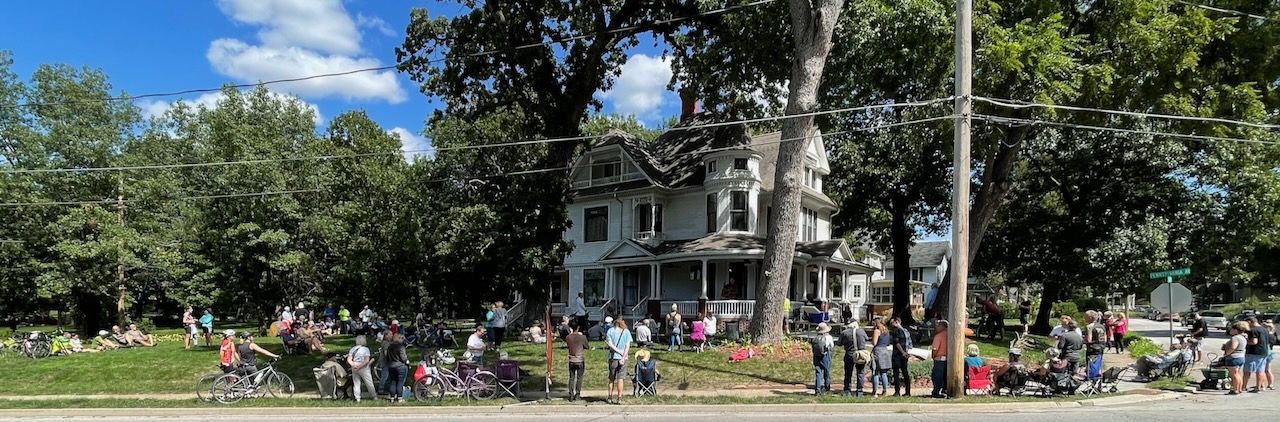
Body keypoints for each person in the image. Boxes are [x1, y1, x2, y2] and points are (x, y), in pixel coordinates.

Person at [838, 320, 870, 396]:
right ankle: (859, 391)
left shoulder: (844, 333)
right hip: (860, 354)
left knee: (848, 373)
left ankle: (847, 391)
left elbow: (839, 343)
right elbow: (866, 339)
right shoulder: (861, 331)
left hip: (849, 354)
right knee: (860, 373)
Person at [605, 318, 633, 405]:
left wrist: (618, 351)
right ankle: (619, 398)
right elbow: (627, 346)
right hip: (623, 358)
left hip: (613, 357)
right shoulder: (626, 332)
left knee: (611, 379)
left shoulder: (610, 331)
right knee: (620, 379)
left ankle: (610, 397)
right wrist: (623, 356)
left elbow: (610, 344)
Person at [1244, 317, 1273, 393]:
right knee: (1260, 370)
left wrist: (1245, 341)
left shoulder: (1253, 330)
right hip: (1263, 352)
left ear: (1250, 322)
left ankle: (1244, 386)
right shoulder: (1265, 329)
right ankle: (1259, 387)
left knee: (1247, 370)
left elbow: (1254, 342)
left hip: (1253, 352)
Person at [889, 317, 913, 396]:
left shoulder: (896, 331)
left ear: (896, 322)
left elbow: (897, 342)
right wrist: (907, 353)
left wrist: (902, 352)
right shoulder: (906, 331)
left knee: (896, 373)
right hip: (905, 355)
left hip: (897, 355)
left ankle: (897, 392)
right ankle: (908, 392)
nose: (891, 325)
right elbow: (910, 344)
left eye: (892, 323)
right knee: (905, 373)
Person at [347, 335, 375, 402]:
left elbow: (349, 359)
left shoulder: (352, 349)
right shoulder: (366, 349)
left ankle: (357, 398)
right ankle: (374, 396)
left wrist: (353, 365)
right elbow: (366, 360)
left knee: (356, 383)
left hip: (354, 366)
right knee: (369, 382)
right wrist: (360, 367)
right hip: (363, 367)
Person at [565, 320, 587, 402]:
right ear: (578, 327)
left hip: (571, 359)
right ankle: (577, 394)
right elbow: (587, 346)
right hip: (580, 359)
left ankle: (571, 394)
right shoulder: (582, 337)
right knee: (579, 378)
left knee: (571, 377)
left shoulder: (568, 337)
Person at [870, 318, 892, 397]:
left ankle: (875, 391)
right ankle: (885, 390)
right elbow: (888, 343)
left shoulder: (877, 331)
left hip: (878, 351)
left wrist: (871, 340)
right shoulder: (886, 331)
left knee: (875, 372)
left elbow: (874, 342)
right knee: (884, 372)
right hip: (885, 350)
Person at [811, 322, 834, 395]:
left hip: (816, 356)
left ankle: (817, 390)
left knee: (818, 373)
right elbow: (832, 346)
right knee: (827, 372)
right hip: (825, 355)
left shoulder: (815, 338)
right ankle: (827, 388)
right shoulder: (828, 337)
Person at [1224, 323, 1247, 395]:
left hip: (1234, 357)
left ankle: (1235, 389)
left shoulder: (1235, 338)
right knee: (1238, 374)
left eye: (1232, 329)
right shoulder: (1243, 337)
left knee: (1234, 375)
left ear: (1236, 330)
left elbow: (1233, 347)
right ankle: (1239, 388)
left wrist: (1227, 353)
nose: (1230, 330)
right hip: (1241, 356)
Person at [385, 334, 409, 402]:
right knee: (400, 382)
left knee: (393, 382)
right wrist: (407, 362)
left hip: (391, 366)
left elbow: (387, 357)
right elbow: (403, 358)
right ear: (399, 339)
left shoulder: (390, 347)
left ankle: (392, 397)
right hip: (400, 366)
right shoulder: (400, 347)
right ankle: (399, 397)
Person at [930, 320, 950, 398]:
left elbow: (935, 349)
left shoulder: (938, 336)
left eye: (938, 326)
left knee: (937, 376)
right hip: (949, 359)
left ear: (942, 326)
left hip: (939, 359)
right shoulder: (951, 335)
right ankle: (945, 390)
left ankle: (936, 392)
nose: (936, 327)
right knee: (946, 376)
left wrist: (933, 356)